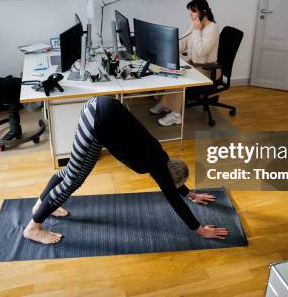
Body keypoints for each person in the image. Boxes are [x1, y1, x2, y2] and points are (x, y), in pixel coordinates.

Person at [23, 96, 229, 244]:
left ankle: (42, 204)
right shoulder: (156, 165)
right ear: (167, 175)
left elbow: (173, 187)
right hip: (97, 121)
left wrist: (190, 194)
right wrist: (199, 229)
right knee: (73, 180)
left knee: (72, 172)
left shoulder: (162, 157)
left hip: (98, 108)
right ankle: (33, 227)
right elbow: (174, 199)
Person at [151, 0, 220, 126]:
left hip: (207, 69)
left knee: (178, 77)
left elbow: (201, 51)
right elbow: (183, 42)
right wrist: (168, 48)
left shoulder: (212, 28)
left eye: (193, 11)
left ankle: (176, 115)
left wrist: (197, 30)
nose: (190, 14)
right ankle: (165, 104)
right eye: (190, 11)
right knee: (168, 70)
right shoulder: (194, 24)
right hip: (194, 65)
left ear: (203, 12)